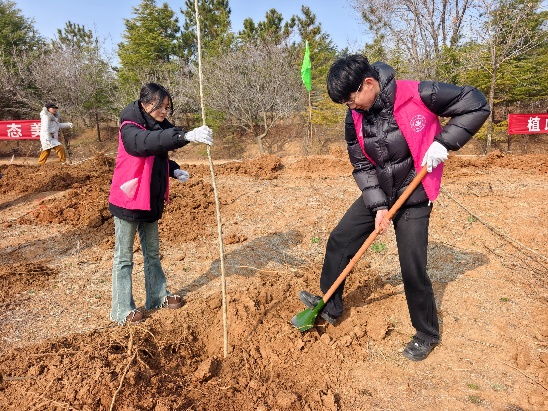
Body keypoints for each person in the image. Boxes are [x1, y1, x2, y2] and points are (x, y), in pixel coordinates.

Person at [298, 55, 490, 361]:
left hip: (415, 192)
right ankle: (330, 305)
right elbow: (362, 164)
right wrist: (377, 206)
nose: (351, 107)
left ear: (368, 84)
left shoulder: (418, 93)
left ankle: (426, 333)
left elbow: (476, 103)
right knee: (341, 239)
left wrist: (444, 142)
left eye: (351, 99)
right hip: (381, 190)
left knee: (412, 267)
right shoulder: (354, 116)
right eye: (345, 103)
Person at [108, 82, 213, 325]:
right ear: (145, 104)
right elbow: (145, 143)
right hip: (129, 198)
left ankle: (157, 297)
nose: (165, 111)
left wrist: (173, 170)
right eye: (161, 106)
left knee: (152, 253)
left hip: (149, 198)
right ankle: (121, 309)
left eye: (167, 107)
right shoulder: (130, 125)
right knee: (123, 258)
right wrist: (185, 136)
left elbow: (159, 150)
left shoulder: (156, 123)